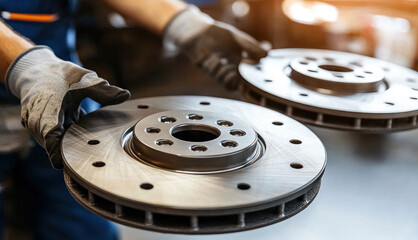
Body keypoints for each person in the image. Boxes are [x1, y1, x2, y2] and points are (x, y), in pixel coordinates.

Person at [0, 0, 267, 239]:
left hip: (62, 96)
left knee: (85, 226)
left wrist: (186, 24)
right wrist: (27, 69)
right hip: (37, 79)